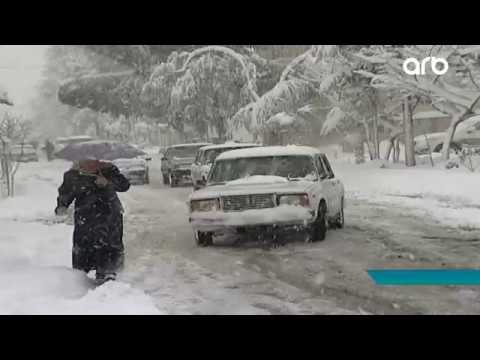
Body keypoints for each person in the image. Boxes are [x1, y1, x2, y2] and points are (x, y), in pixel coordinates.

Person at [55, 159, 130, 284]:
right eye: (87, 160)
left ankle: (108, 275)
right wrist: (62, 205)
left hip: (110, 215)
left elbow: (124, 185)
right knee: (84, 248)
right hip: (86, 217)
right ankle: (80, 281)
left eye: (96, 161)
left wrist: (107, 183)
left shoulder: (109, 170)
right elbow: (66, 192)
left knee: (108, 246)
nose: (92, 163)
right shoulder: (73, 175)